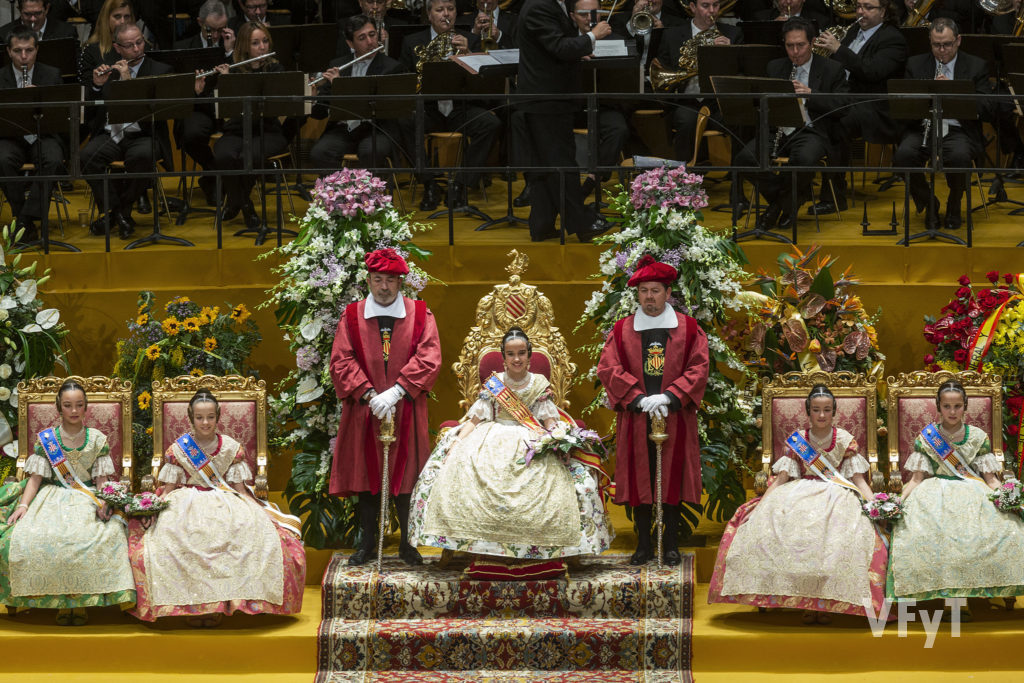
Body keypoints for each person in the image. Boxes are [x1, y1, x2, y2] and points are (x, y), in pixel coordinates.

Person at [409, 326, 614, 559]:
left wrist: (557, 439)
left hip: (531, 439)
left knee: (571, 482)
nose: (516, 359)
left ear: (529, 355)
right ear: (503, 357)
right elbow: (475, 419)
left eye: (521, 353)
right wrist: (457, 443)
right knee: (454, 467)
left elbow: (548, 421)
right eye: (510, 354)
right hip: (489, 439)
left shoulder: (539, 383)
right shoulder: (495, 384)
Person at [708, 385, 888, 624]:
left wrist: (873, 505)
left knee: (837, 540)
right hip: (797, 493)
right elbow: (782, 478)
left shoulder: (845, 440)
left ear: (834, 412)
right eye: (816, 410)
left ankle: (826, 603)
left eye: (826, 410)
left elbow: (858, 481)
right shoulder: (799, 441)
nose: (821, 415)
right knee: (785, 531)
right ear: (808, 412)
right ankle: (804, 600)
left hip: (837, 496)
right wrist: (762, 505)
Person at [128, 389, 306, 625]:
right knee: (175, 537)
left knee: (249, 531)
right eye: (200, 417)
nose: (205, 422)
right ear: (191, 418)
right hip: (186, 501)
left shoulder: (231, 448)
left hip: (225, 499)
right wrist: (154, 506)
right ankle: (194, 606)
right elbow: (169, 488)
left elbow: (240, 489)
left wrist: (258, 511)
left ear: (218, 417)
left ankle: (221, 604)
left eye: (210, 417)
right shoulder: (180, 450)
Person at [329, 248, 442, 566]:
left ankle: (408, 544)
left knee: (407, 479)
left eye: (390, 280)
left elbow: (430, 356)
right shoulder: (352, 316)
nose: (383, 287)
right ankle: (367, 543)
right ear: (368, 280)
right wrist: (368, 394)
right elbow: (341, 360)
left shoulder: (420, 314)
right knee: (367, 479)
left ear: (400, 282)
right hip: (366, 412)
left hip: (405, 408)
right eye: (378, 279)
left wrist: (396, 392)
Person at [596, 255, 709, 566]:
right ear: (637, 294)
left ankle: (670, 543)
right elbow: (608, 368)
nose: (649, 297)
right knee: (639, 481)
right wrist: (636, 397)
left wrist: (671, 396)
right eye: (644, 291)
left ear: (668, 293)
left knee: (671, 480)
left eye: (655, 290)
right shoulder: (622, 330)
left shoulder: (688, 328)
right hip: (637, 416)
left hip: (675, 415)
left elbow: (699, 367)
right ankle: (643, 544)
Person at [0, 380, 135, 626]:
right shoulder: (47, 441)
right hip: (51, 496)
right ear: (59, 408)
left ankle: (81, 602)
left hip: (86, 496)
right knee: (35, 537)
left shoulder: (96, 439)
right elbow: (35, 479)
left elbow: (102, 480)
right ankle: (55, 601)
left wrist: (105, 502)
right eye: (68, 405)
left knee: (96, 536)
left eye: (79, 405)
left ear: (86, 408)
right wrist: (23, 506)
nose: (74, 410)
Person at [888, 380, 1024, 615]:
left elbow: (990, 479)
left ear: (965, 407)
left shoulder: (978, 437)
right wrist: (898, 501)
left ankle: (972, 592)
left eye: (957, 406)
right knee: (928, 532)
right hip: (934, 494)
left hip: (974, 491)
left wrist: (1007, 497)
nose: (952, 412)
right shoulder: (927, 438)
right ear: (938, 408)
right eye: (947, 406)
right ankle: (950, 600)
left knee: (1003, 530)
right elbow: (916, 479)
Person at [734, 17, 848, 229]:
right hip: (778, 129)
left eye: (800, 45)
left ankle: (777, 208)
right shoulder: (775, 67)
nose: (795, 52)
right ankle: (791, 200)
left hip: (811, 131)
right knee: (744, 160)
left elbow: (843, 105)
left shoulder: (832, 68)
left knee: (803, 160)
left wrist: (810, 93)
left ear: (812, 43)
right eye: (790, 46)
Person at [516, 0, 614, 242]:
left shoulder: (548, 5)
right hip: (547, 99)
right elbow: (558, 46)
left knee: (545, 166)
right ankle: (582, 224)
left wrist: (580, 50)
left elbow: (552, 49)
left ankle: (542, 225)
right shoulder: (540, 6)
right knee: (562, 164)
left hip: (547, 99)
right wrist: (593, 35)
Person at [399, 0, 501, 211]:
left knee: (490, 124)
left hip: (460, 108)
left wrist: (467, 55)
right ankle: (429, 184)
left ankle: (462, 185)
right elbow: (405, 82)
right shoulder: (412, 42)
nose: (446, 14)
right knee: (405, 121)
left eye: (451, 9)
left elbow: (484, 84)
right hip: (429, 109)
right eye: (440, 10)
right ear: (429, 15)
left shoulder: (472, 40)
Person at [892, 18, 990, 231]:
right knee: (903, 156)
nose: (942, 50)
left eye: (947, 44)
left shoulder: (976, 66)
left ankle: (954, 204)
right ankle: (929, 202)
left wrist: (954, 93)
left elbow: (987, 106)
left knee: (959, 156)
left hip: (958, 129)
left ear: (958, 41)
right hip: (923, 127)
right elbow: (905, 107)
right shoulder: (915, 64)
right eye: (936, 45)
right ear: (930, 42)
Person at [810, 0, 907, 215]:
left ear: (883, 11)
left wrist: (838, 49)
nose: (861, 12)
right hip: (846, 99)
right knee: (807, 110)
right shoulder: (853, 30)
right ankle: (801, 181)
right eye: (859, 7)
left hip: (874, 107)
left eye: (868, 7)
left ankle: (834, 195)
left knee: (835, 121)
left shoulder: (893, 39)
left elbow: (872, 72)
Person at [81, 21, 174, 240]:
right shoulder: (106, 70)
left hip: (142, 134)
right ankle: (117, 212)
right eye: (129, 45)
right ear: (117, 48)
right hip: (110, 135)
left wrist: (127, 82)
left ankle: (119, 212)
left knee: (143, 156)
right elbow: (92, 111)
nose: (136, 49)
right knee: (86, 157)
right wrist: (96, 86)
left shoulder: (160, 70)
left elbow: (161, 111)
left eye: (139, 43)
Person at [208, 20, 288, 231]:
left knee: (247, 156)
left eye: (264, 42)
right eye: (255, 43)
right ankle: (244, 203)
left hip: (268, 131)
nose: (262, 47)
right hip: (236, 130)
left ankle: (238, 203)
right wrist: (225, 83)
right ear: (244, 46)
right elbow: (218, 111)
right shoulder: (232, 71)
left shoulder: (276, 69)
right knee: (223, 154)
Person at [309, 14, 407, 174]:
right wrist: (313, 99)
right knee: (320, 153)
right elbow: (319, 113)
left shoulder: (391, 68)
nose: (370, 42)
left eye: (372, 35)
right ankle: (340, 195)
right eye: (362, 38)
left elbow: (379, 106)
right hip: (343, 129)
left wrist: (341, 87)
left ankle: (370, 197)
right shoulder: (337, 65)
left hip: (376, 129)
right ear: (350, 43)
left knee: (371, 152)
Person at [656, 0, 744, 166]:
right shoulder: (672, 35)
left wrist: (730, 53)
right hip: (687, 100)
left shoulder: (733, 34)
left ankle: (736, 183)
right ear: (692, 7)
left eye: (716, 5)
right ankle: (684, 179)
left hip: (718, 102)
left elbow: (741, 73)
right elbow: (664, 68)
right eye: (705, 6)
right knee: (686, 122)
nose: (712, 11)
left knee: (741, 121)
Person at [0, 27, 65, 242]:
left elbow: (62, 115)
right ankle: (22, 216)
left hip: (42, 135)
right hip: (10, 137)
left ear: (37, 50)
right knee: (2, 159)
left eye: (29, 50)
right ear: (9, 52)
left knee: (54, 159)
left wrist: (41, 99)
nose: (24, 56)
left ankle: (24, 219)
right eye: (18, 51)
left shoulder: (52, 74)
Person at [76, 0, 134, 85]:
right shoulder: (91, 51)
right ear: (106, 18)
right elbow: (85, 91)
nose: (123, 21)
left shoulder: (141, 47)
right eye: (117, 16)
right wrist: (97, 84)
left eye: (127, 17)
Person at [0, 0, 80, 42]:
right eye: (27, 14)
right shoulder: (4, 35)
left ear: (47, 9)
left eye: (38, 13)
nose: (33, 19)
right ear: (19, 10)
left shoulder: (66, 33)